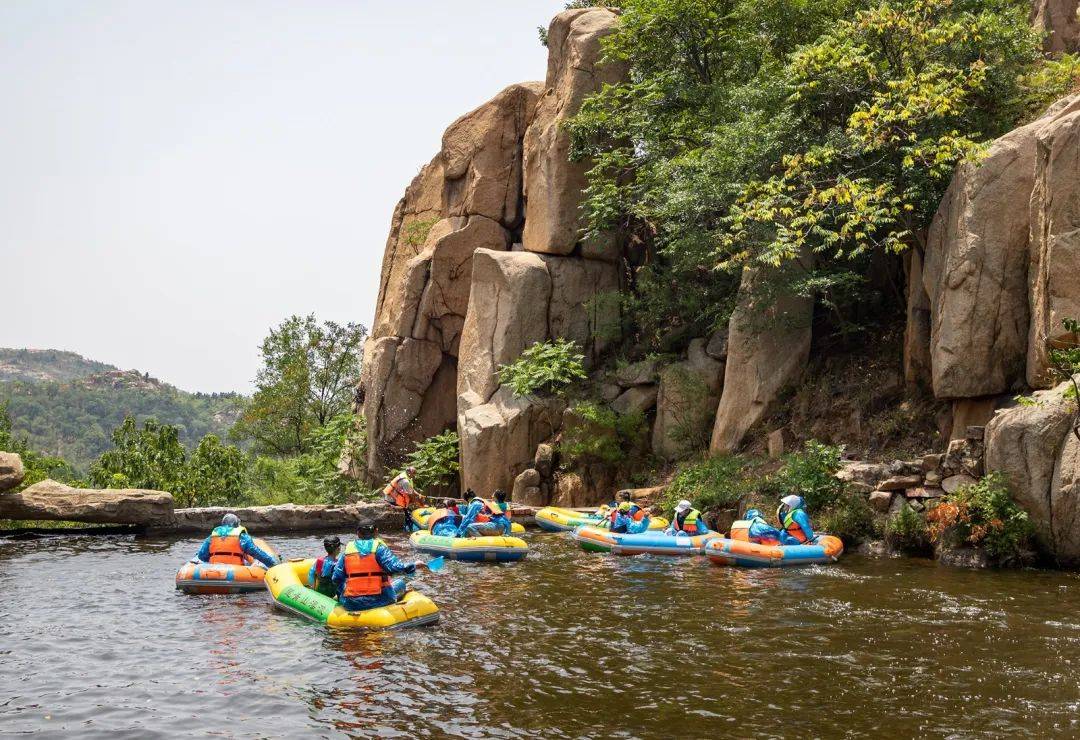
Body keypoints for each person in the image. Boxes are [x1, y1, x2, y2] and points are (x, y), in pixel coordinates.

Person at [331, 523, 428, 611]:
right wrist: (414, 565)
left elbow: (336, 578)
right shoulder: (379, 549)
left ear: (358, 534)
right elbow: (395, 567)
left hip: (352, 603)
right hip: (379, 600)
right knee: (400, 583)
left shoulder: (347, 552)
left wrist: (344, 593)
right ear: (376, 532)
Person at [195, 513, 278, 567]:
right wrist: (272, 563)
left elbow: (201, 556)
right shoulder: (242, 537)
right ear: (236, 524)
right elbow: (256, 552)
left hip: (213, 569)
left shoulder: (212, 536)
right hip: (235, 569)